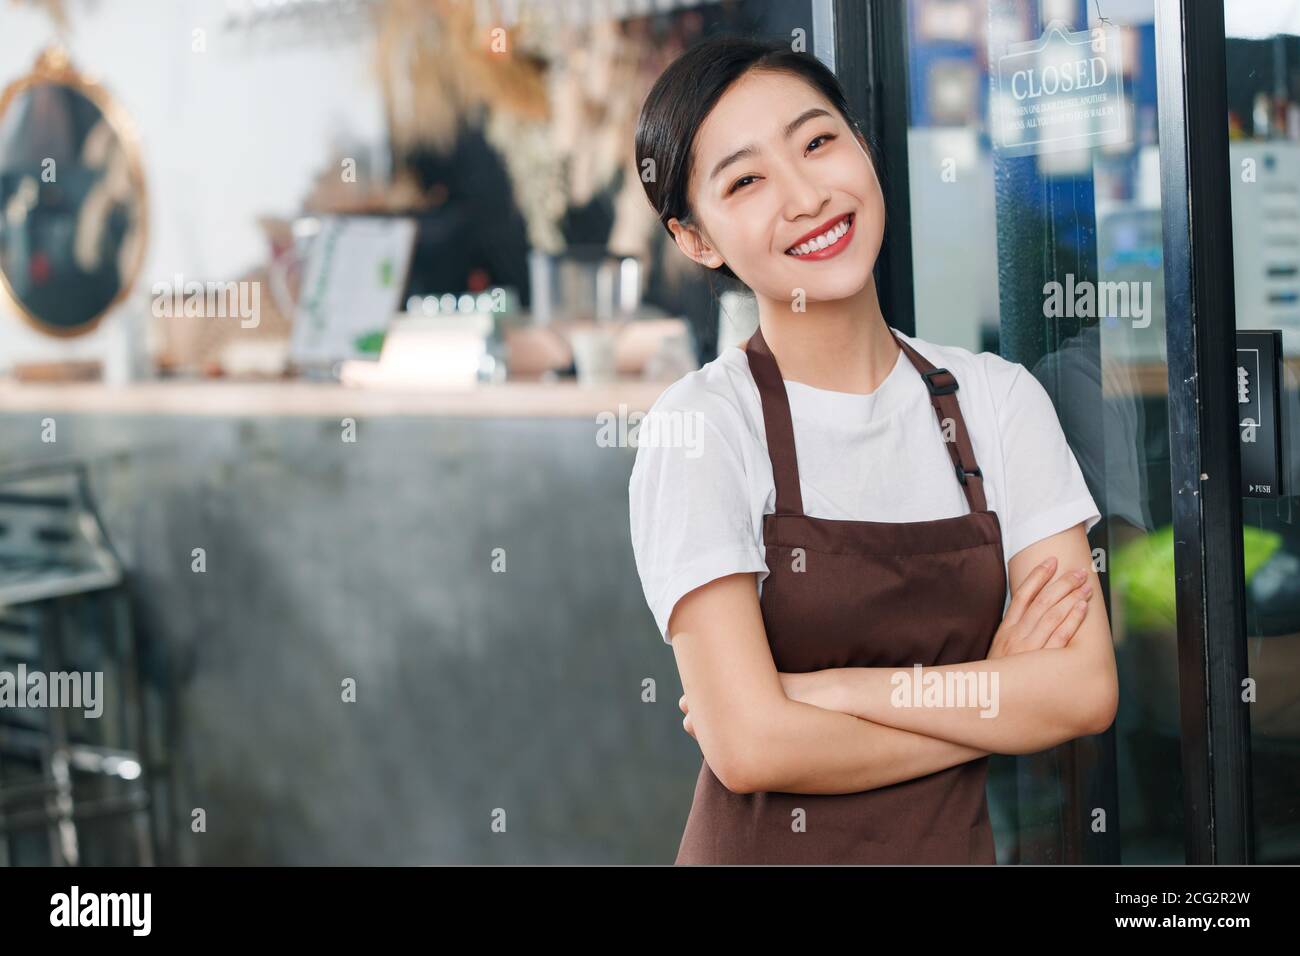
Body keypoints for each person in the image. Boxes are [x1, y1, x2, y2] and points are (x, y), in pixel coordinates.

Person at [627, 36, 1118, 865]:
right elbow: (750, 748)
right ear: (695, 239)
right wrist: (990, 700)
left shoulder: (997, 402)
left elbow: (1082, 691)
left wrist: (831, 696)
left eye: (818, 142)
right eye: (746, 180)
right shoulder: (704, 427)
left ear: (862, 144)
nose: (807, 195)